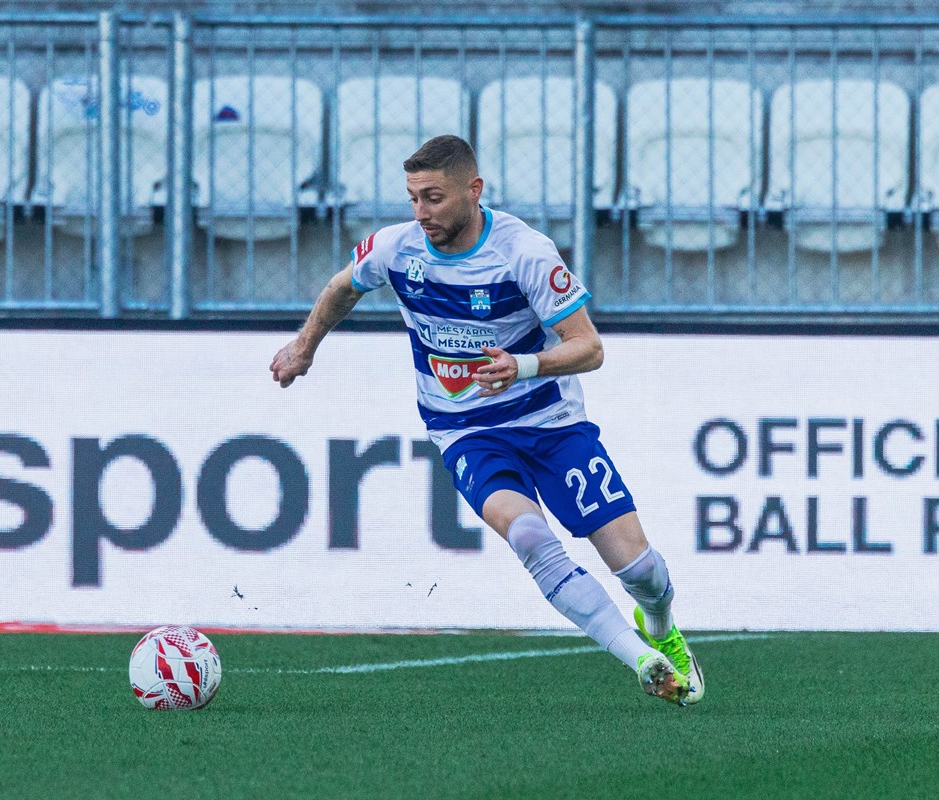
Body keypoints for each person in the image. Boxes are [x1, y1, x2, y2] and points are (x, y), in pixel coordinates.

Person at [271, 134, 704, 705]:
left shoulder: (524, 252)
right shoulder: (397, 248)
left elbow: (590, 348)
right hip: (466, 431)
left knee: (639, 569)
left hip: (551, 424)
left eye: (434, 198)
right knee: (528, 536)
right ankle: (641, 659)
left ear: (473, 190)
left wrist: (523, 366)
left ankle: (660, 626)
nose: (421, 213)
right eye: (413, 198)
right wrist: (304, 347)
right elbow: (341, 288)